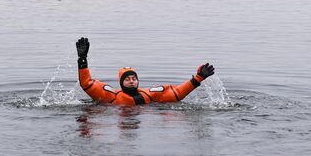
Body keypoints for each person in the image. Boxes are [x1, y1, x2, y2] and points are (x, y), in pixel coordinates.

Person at [76, 37, 215, 106]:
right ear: (121, 82)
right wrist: (82, 59)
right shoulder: (111, 96)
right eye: (127, 79)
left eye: (133, 78)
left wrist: (199, 78)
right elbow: (86, 83)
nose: (131, 81)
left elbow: (177, 93)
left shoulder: (149, 95)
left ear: (137, 81)